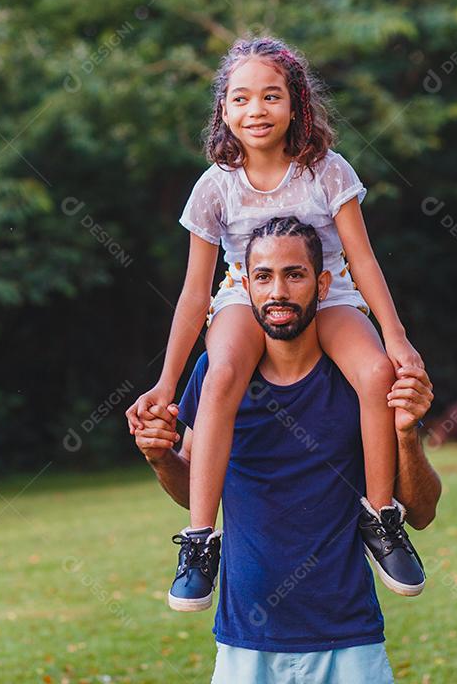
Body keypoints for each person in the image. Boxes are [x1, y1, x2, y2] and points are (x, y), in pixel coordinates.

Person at [125, 36, 428, 610]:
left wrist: (397, 337)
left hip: (328, 292)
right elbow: (195, 293)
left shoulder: (327, 172)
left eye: (270, 96)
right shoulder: (215, 186)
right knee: (220, 375)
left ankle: (382, 518)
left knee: (374, 374)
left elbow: (361, 261)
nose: (255, 110)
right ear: (224, 110)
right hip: (246, 295)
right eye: (240, 99)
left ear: (296, 106)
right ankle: (199, 541)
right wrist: (167, 384)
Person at [133, 217, 441, 683]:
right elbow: (192, 486)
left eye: (294, 275)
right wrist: (160, 457)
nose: (278, 292)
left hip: (349, 638)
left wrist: (406, 433)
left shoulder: (360, 376)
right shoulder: (217, 375)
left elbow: (420, 511)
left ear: (321, 283)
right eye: (263, 277)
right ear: (244, 286)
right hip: (244, 642)